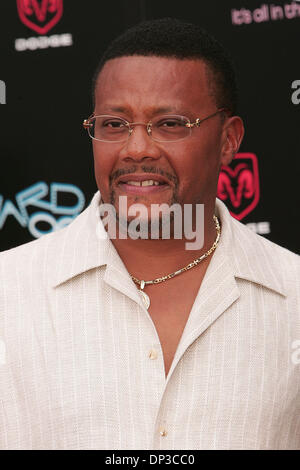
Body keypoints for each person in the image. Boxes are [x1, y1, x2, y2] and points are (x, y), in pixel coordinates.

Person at [0, 18, 299, 451]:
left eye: (171, 123)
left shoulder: (291, 293)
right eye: (114, 124)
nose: (137, 148)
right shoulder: (8, 292)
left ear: (228, 140)